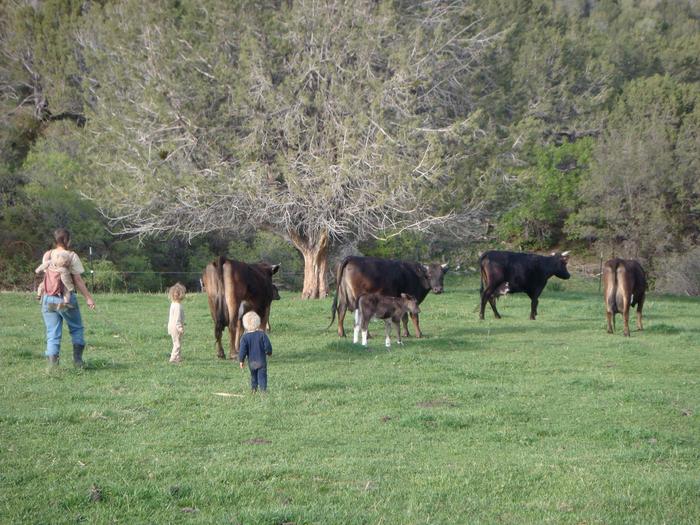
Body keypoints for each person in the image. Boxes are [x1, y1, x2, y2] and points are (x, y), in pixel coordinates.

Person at [38, 228, 96, 367]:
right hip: (65, 299)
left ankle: (53, 367)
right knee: (76, 328)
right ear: (67, 240)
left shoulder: (48, 255)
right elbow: (77, 280)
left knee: (52, 333)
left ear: (55, 240)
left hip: (48, 298)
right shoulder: (71, 256)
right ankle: (78, 362)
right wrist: (88, 298)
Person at [238, 311, 273, 392]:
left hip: (252, 362)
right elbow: (267, 346)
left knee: (253, 376)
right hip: (261, 361)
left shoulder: (244, 338)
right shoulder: (262, 335)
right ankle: (263, 391)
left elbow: (242, 350)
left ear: (245, 325)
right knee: (262, 376)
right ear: (258, 322)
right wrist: (269, 352)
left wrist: (241, 360)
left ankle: (254, 389)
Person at [167, 283, 186, 363]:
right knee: (177, 344)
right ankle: (173, 358)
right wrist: (180, 328)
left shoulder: (173, 304)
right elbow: (177, 318)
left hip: (171, 326)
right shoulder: (178, 306)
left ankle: (178, 358)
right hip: (176, 327)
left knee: (176, 342)